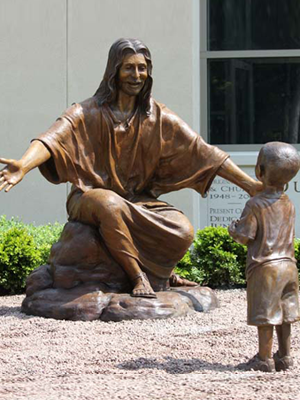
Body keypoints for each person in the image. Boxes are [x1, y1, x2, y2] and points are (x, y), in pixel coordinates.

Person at [0, 38, 260, 298]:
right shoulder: (87, 111)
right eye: (128, 68)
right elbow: (51, 139)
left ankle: (161, 276)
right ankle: (138, 277)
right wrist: (23, 164)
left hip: (137, 201)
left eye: (142, 68)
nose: (136, 75)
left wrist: (250, 185)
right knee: (109, 204)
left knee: (183, 229)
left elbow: (204, 152)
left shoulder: (157, 116)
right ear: (114, 71)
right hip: (89, 198)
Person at [229, 142, 300, 372]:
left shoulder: (255, 204)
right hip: (289, 265)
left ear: (259, 171)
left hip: (266, 267)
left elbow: (246, 236)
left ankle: (264, 359)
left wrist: (233, 231)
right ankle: (286, 356)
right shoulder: (289, 203)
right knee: (286, 313)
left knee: (266, 315)